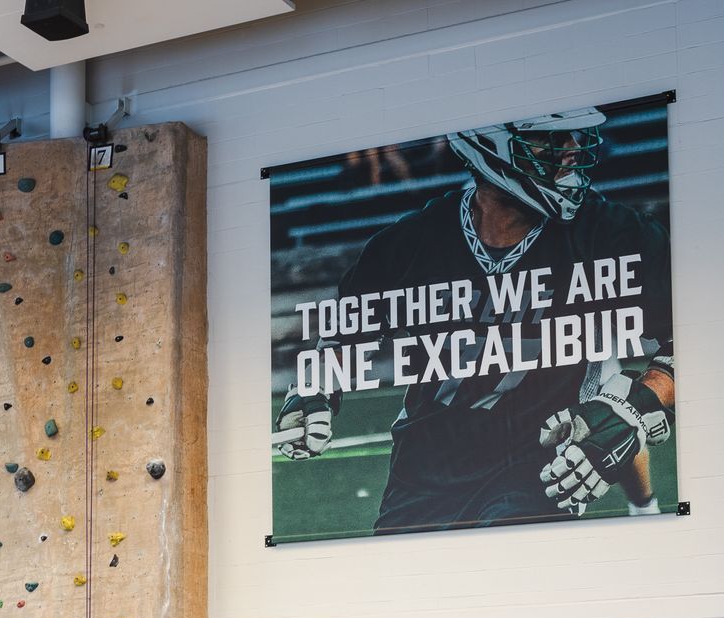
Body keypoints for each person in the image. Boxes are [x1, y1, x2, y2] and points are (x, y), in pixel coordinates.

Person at [275, 108, 674, 533]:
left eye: (575, 138)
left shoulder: (614, 234)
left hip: (541, 451)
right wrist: (312, 392)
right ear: (490, 144)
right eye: (550, 140)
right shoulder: (409, 242)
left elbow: (689, 339)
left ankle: (644, 508)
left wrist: (634, 406)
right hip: (428, 460)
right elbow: (343, 339)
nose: (574, 152)